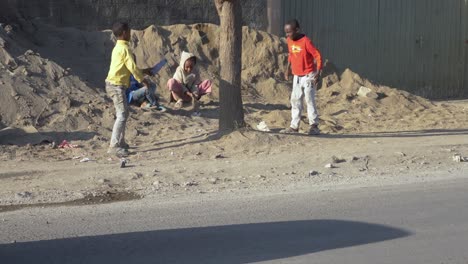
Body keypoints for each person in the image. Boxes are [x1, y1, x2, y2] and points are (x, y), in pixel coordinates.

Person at [105, 21, 151, 157]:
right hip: (116, 86)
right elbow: (132, 67)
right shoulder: (125, 49)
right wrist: (143, 80)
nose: (131, 33)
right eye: (129, 31)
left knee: (124, 114)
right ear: (125, 33)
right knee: (122, 115)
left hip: (115, 85)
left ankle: (120, 142)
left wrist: (144, 72)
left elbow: (128, 68)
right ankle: (113, 146)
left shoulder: (118, 48)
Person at [281, 19, 323, 135]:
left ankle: (314, 126)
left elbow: (317, 55)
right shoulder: (289, 41)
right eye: (286, 32)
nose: (287, 35)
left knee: (309, 99)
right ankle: (294, 127)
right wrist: (287, 69)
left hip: (309, 75)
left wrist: (318, 73)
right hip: (297, 76)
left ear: (297, 30)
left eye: (289, 32)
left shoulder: (306, 42)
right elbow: (291, 54)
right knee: (295, 100)